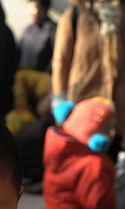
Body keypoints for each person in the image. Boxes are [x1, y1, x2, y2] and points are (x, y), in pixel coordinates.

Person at [43, 97, 125, 209]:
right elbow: (98, 202)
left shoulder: (58, 144)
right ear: (92, 133)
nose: (111, 133)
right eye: (107, 128)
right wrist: (118, 201)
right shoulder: (92, 163)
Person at [51, 0, 125, 159]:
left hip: (115, 115)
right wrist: (59, 101)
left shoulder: (121, 16)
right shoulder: (74, 16)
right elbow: (60, 63)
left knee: (105, 174)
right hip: (81, 112)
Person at [19, 0, 57, 73]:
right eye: (30, 7)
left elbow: (55, 60)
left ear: (44, 9)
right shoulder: (28, 29)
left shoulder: (53, 31)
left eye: (36, 7)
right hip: (22, 77)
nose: (32, 12)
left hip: (40, 80)